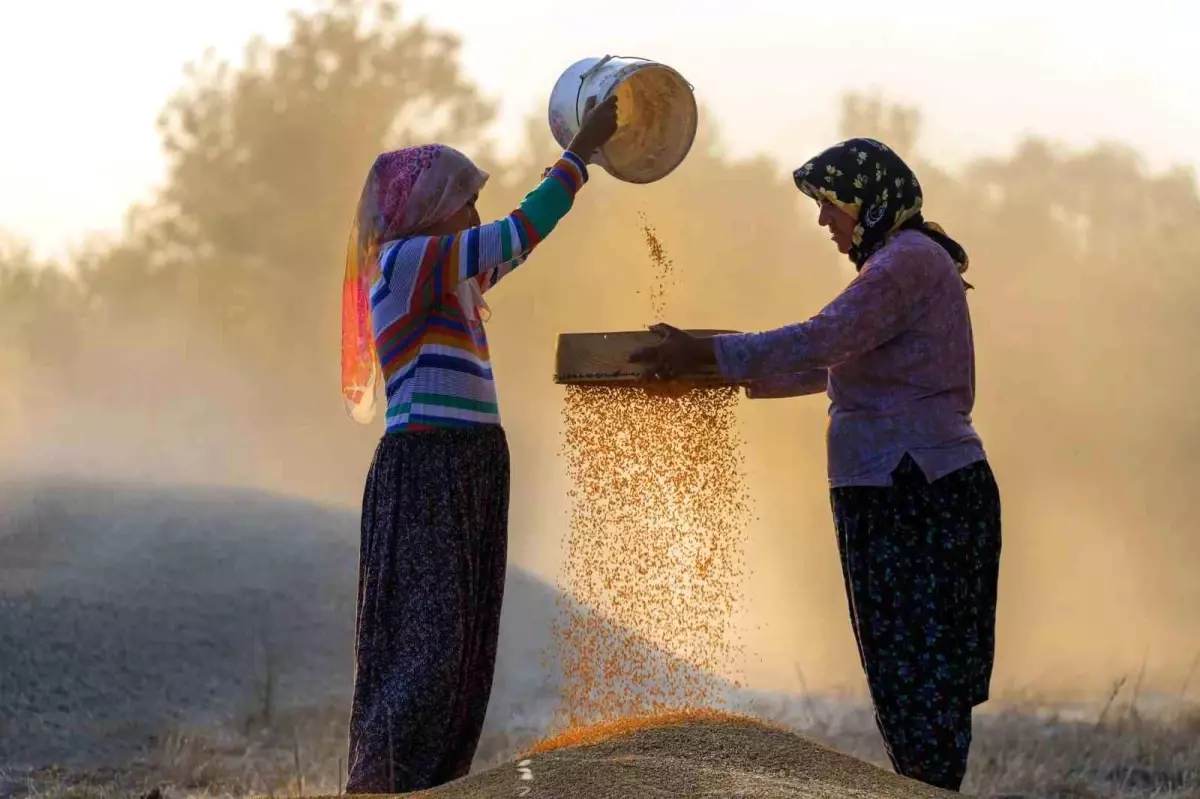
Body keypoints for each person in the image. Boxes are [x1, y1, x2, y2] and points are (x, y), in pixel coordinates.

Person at [630, 137, 1002, 792]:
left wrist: (711, 356)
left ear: (871, 200)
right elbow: (825, 363)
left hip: (914, 486)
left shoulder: (906, 263)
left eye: (832, 203)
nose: (824, 220)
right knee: (907, 680)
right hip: (900, 484)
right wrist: (708, 362)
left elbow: (819, 340)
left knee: (918, 680)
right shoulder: (897, 265)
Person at [338, 95, 619, 793]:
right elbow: (518, 229)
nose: (472, 215)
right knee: (425, 657)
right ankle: (383, 784)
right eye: (463, 202)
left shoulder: (449, 273)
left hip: (469, 467)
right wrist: (578, 156)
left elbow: (514, 240)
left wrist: (581, 165)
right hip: (429, 468)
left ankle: (432, 783)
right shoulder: (406, 262)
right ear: (426, 209)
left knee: (462, 656)